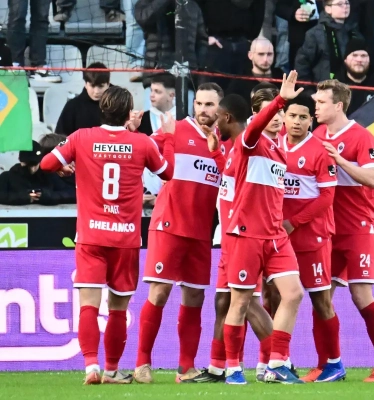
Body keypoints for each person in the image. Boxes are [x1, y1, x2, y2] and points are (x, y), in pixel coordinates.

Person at [39, 86, 175, 384]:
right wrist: (166, 137)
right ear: (128, 114)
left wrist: (64, 166)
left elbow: (46, 164)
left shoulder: (81, 137)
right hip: (125, 238)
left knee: (89, 304)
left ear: (102, 109)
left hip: (91, 236)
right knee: (118, 308)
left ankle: (91, 367)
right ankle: (112, 369)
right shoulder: (141, 142)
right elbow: (168, 173)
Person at [134, 83, 225, 384]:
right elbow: (143, 150)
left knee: (195, 296)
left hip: (200, 232)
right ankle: (142, 363)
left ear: (220, 108)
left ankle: (186, 368)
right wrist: (132, 132)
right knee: (159, 292)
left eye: (209, 105)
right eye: (199, 103)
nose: (203, 110)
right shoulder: (176, 129)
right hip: (169, 226)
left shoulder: (222, 143)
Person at [222, 71, 305, 385]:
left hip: (275, 235)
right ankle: (232, 368)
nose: (278, 118)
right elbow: (256, 126)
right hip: (247, 233)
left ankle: (277, 364)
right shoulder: (250, 141)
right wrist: (280, 99)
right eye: (272, 112)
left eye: (280, 112)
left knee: (293, 294)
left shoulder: (279, 151)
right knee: (240, 302)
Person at [313, 79, 374, 382]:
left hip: (359, 228)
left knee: (361, 295)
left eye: (321, 102)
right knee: (320, 296)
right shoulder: (317, 135)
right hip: (328, 229)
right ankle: (327, 365)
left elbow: (373, 179)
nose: (315, 107)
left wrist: (339, 160)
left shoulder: (362, 136)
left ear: (338, 105)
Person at [201, 93, 277, 384]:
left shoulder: (248, 143)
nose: (214, 121)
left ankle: (279, 359)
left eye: (217, 116)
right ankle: (217, 367)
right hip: (228, 236)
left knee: (245, 302)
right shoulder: (233, 149)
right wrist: (216, 153)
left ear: (227, 117)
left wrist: (280, 101)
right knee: (224, 300)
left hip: (242, 237)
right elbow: (232, 181)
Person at [281, 93, 344, 382]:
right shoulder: (273, 146)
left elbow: (327, 198)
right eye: (292, 115)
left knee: (321, 301)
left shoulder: (320, 151)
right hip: (279, 238)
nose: (296, 121)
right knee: (274, 297)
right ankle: (279, 360)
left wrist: (294, 222)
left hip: (312, 238)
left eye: (303, 117)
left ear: (311, 120)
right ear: (283, 117)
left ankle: (334, 363)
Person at [295, 0, 363, 83]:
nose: (345, 6)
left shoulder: (355, 33)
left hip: (351, 87)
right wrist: (308, 89)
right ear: (328, 8)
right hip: (324, 86)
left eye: (346, 3)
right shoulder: (315, 33)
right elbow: (302, 64)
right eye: (340, 4)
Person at [0, 140, 73, 205]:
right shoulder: (7, 177)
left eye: (34, 164)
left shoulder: (49, 176)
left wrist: (48, 195)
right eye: (28, 165)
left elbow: (71, 193)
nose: (32, 169)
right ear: (20, 160)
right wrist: (24, 197)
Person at [55, 63, 111, 136]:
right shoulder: (72, 106)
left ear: (108, 84)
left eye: (101, 86)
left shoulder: (118, 105)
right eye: (92, 86)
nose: (96, 91)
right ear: (85, 84)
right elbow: (60, 137)